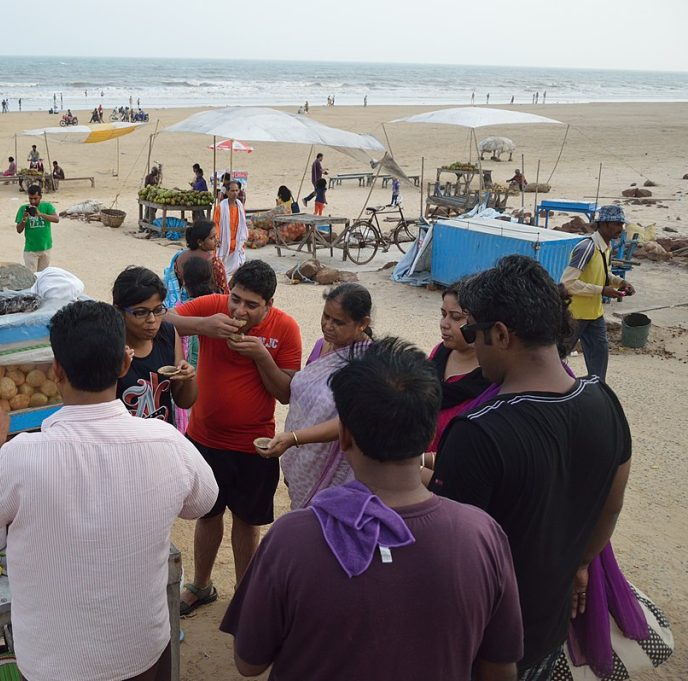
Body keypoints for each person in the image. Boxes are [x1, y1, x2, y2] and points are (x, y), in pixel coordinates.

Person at [221, 338, 524, 681]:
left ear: (345, 436)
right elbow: (500, 668)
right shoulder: (481, 534)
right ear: (428, 435)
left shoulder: (292, 539)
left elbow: (250, 663)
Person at [0, 300, 218, 681]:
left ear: (56, 369)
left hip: (55, 664)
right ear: (124, 365)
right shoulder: (166, 442)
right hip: (143, 652)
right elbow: (203, 501)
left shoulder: (20, 456)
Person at [431, 255, 632, 680]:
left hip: (481, 645)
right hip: (546, 628)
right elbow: (610, 507)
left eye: (475, 332)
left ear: (501, 334)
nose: (473, 343)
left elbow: (450, 562)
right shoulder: (604, 401)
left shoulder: (478, 433)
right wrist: (580, 563)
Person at [167, 260, 302, 614]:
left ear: (268, 305)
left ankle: (245, 595)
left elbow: (286, 392)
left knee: (246, 521)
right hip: (205, 438)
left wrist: (261, 356)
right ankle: (200, 585)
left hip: (253, 446)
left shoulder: (285, 328)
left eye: (251, 305)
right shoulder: (214, 307)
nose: (239, 310)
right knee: (207, 516)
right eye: (236, 299)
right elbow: (163, 320)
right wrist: (204, 326)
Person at [255, 283, 374, 509]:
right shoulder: (322, 346)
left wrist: (294, 438)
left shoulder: (368, 363)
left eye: (338, 322)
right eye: (325, 316)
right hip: (302, 455)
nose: (328, 326)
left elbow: (350, 424)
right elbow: (302, 391)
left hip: (334, 464)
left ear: (363, 324)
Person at [112, 266, 198, 426]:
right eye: (140, 312)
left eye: (158, 310)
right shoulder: (110, 345)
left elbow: (184, 401)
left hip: (161, 438)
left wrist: (189, 378)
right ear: (120, 311)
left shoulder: (168, 334)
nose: (152, 319)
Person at [560, 204, 635, 382]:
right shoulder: (586, 247)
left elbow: (603, 273)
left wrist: (620, 282)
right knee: (557, 356)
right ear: (603, 224)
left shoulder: (606, 248)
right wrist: (601, 290)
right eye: (616, 224)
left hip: (594, 314)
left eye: (621, 225)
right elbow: (568, 283)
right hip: (575, 315)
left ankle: (597, 391)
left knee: (599, 360)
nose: (620, 229)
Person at [427, 282, 491, 454]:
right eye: (443, 314)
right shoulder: (439, 353)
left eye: (456, 318)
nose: (444, 323)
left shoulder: (490, 376)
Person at [15, 184, 59, 272]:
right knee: (32, 277)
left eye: (35, 198)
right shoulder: (23, 209)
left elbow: (56, 219)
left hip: (46, 248)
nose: (33, 201)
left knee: (43, 277)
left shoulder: (47, 206)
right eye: (30, 198)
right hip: (31, 250)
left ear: (40, 197)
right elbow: (19, 230)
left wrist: (40, 214)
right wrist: (24, 219)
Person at [212, 180, 247, 277]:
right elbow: (216, 223)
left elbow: (243, 224)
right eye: (232, 191)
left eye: (236, 190)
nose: (235, 193)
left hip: (236, 242)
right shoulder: (221, 207)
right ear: (227, 192)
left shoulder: (240, 206)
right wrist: (217, 238)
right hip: (224, 242)